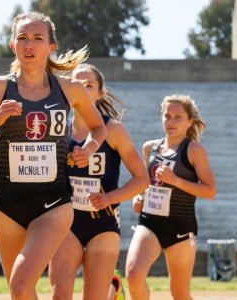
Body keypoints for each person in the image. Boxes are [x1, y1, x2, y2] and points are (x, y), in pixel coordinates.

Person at [0, 11, 106, 299]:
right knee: (20, 293)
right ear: (12, 45)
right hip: (8, 206)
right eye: (22, 38)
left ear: (51, 46)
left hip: (54, 204)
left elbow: (98, 128)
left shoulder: (69, 89)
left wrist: (87, 149)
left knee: (21, 285)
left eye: (38, 38)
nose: (29, 45)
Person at [49, 63, 148, 300]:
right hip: (66, 221)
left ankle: (112, 287)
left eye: (89, 84)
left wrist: (109, 198)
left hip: (102, 222)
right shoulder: (57, 128)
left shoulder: (113, 129)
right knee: (59, 295)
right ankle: (111, 287)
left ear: (100, 93)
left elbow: (142, 179)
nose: (82, 88)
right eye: (77, 83)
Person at [125, 95, 216, 300]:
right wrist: (140, 198)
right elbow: (146, 183)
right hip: (150, 222)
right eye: (167, 116)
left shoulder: (194, 150)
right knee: (133, 274)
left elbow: (210, 191)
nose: (171, 122)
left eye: (178, 117)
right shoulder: (150, 148)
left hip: (180, 227)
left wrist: (175, 180)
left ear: (189, 121)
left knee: (180, 293)